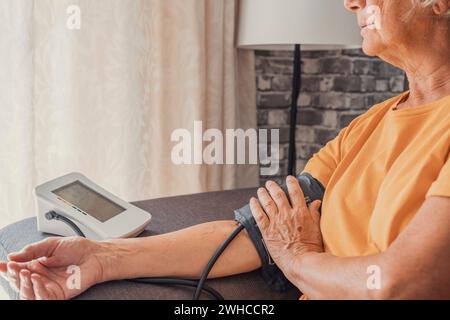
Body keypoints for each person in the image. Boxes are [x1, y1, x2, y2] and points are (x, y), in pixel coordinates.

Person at [1, 0, 449, 300]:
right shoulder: (367, 127)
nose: (351, 1)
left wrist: (298, 259)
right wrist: (101, 259)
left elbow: (396, 283)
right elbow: (258, 233)